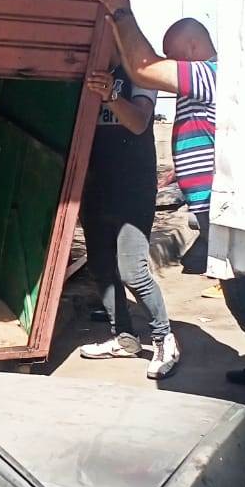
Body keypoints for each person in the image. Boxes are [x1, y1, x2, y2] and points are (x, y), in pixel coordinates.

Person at [93, 0, 245, 431]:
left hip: (223, 211)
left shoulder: (208, 75)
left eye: (174, 56)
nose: (171, 66)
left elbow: (143, 68)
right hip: (214, 208)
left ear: (192, 49)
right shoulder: (211, 78)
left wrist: (121, 12)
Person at [79, 62, 181, 379]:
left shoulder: (140, 73)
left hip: (132, 187)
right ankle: (124, 337)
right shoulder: (89, 66)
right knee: (100, 266)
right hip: (95, 184)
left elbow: (138, 122)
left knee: (132, 271)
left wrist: (110, 95)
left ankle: (164, 339)